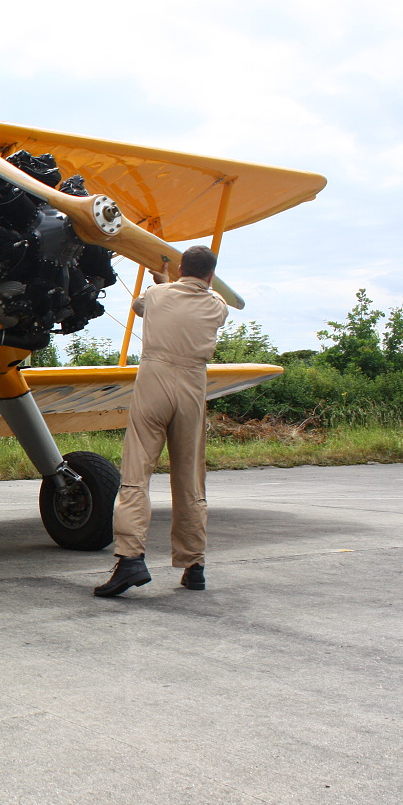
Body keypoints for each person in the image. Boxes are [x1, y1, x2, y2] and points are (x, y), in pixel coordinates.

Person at [95, 245, 229, 598]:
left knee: (137, 472)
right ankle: (194, 564)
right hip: (192, 386)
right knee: (190, 477)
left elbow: (142, 306)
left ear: (182, 267)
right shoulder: (218, 305)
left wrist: (163, 280)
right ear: (211, 275)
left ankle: (130, 558)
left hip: (155, 379)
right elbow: (196, 300)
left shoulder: (156, 293)